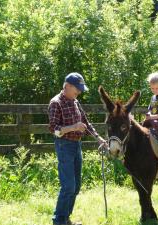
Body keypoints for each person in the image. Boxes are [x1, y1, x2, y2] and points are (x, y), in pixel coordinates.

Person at [48, 72, 106, 225]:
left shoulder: (75, 101)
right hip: (64, 146)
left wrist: (99, 138)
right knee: (68, 186)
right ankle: (58, 221)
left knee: (77, 185)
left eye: (80, 89)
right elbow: (54, 130)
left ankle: (66, 218)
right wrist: (73, 127)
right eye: (77, 89)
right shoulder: (56, 103)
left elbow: (86, 123)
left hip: (76, 146)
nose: (79, 92)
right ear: (67, 86)